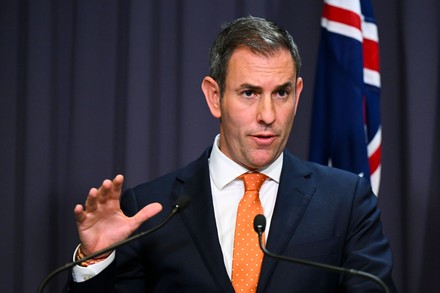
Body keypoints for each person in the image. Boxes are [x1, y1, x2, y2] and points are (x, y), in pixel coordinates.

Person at [65, 16, 397, 292]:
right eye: (249, 93)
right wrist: (95, 261)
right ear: (214, 97)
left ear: (297, 95)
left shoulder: (346, 199)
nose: (267, 115)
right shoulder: (152, 209)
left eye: (281, 93)